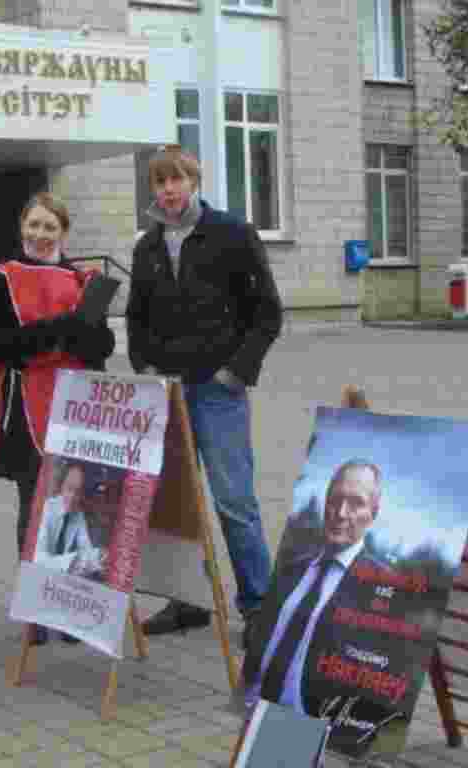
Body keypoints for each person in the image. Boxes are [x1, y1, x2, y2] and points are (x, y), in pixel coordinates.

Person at [126, 144, 283, 642]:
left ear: (194, 181)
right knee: (176, 504)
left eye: (178, 179)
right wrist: (144, 364)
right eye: (160, 182)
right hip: (166, 393)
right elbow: (136, 316)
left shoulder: (232, 234)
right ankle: (187, 602)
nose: (169, 190)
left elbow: (267, 313)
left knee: (234, 500)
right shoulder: (147, 246)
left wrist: (235, 373)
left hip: (217, 391)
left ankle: (259, 607)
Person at [0, 192, 116, 559]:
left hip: (78, 405)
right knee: (35, 504)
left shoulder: (85, 281)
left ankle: (72, 592)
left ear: (63, 231)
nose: (40, 233)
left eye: (49, 225)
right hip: (27, 406)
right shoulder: (0, 278)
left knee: (79, 500)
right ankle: (36, 602)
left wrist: (73, 335)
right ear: (21, 227)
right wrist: (63, 327)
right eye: (33, 224)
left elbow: (100, 347)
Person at [243, 461, 407, 754]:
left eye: (356, 503)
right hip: (256, 710)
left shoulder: (383, 587)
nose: (341, 513)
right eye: (335, 500)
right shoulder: (291, 568)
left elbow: (381, 675)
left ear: (374, 514)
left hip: (316, 727)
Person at [33, 461, 112, 581]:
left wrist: (100, 558)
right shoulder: (45, 509)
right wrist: (85, 559)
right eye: (69, 489)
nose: (73, 497)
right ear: (61, 486)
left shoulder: (78, 515)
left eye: (78, 492)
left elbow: (87, 549)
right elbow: (40, 562)